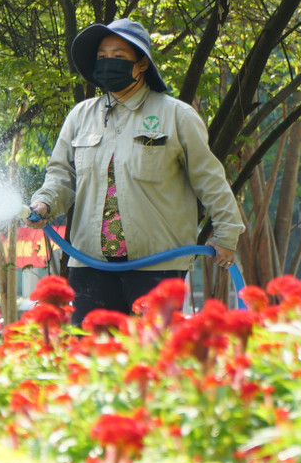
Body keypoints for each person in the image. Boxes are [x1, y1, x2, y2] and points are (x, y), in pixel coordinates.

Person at [26, 18, 245, 325]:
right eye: (102, 57)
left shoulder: (176, 116)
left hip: (158, 265)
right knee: (89, 356)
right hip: (89, 264)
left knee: (152, 358)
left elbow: (210, 180)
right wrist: (44, 204)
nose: (107, 63)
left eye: (118, 56)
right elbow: (61, 176)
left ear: (142, 64)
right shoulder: (80, 117)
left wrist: (226, 234)